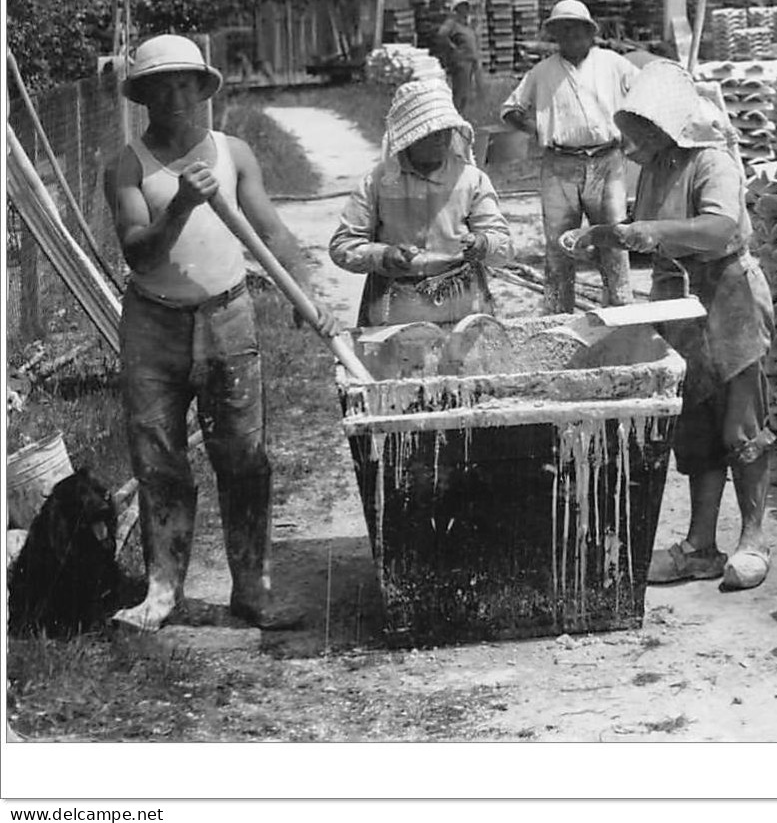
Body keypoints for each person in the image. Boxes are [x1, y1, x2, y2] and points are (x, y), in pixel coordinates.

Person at [102, 34, 340, 632]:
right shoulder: (128, 166)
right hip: (152, 325)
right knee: (158, 459)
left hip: (227, 317)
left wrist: (304, 290)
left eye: (186, 83)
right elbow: (138, 254)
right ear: (145, 95)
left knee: (245, 458)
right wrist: (180, 203)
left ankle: (253, 589)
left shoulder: (233, 153)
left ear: (203, 89)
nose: (176, 95)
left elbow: (274, 234)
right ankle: (162, 593)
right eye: (163, 85)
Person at [572, 60, 775, 590]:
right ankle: (700, 546)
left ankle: (753, 539)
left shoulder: (712, 162)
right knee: (697, 425)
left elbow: (718, 227)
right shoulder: (658, 167)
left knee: (741, 423)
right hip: (677, 298)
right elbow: (653, 234)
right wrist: (608, 236)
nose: (632, 139)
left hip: (727, 293)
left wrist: (647, 231)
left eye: (640, 128)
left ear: (667, 123)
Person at [329, 78, 513, 326]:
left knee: (464, 363)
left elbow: (504, 244)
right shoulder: (378, 183)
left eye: (445, 131)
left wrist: (483, 243)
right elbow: (343, 246)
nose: (440, 140)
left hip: (462, 300)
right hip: (394, 302)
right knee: (395, 363)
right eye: (431, 134)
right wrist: (383, 255)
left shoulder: (471, 180)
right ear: (410, 138)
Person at [500, 0, 637, 313]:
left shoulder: (613, 63)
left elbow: (643, 91)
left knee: (615, 235)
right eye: (564, 30)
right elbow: (509, 109)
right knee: (559, 242)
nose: (571, 35)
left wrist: (633, 133)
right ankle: (557, 312)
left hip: (607, 161)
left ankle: (621, 306)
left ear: (590, 32)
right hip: (560, 164)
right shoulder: (542, 72)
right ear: (556, 35)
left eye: (578, 29)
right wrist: (535, 126)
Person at [431, 0, 482, 117]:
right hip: (461, 61)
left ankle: (461, 117)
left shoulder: (466, 24)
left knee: (466, 94)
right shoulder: (452, 22)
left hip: (470, 61)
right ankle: (454, 118)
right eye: (462, 7)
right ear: (457, 8)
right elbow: (441, 35)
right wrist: (452, 47)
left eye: (466, 6)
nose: (465, 9)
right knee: (460, 93)